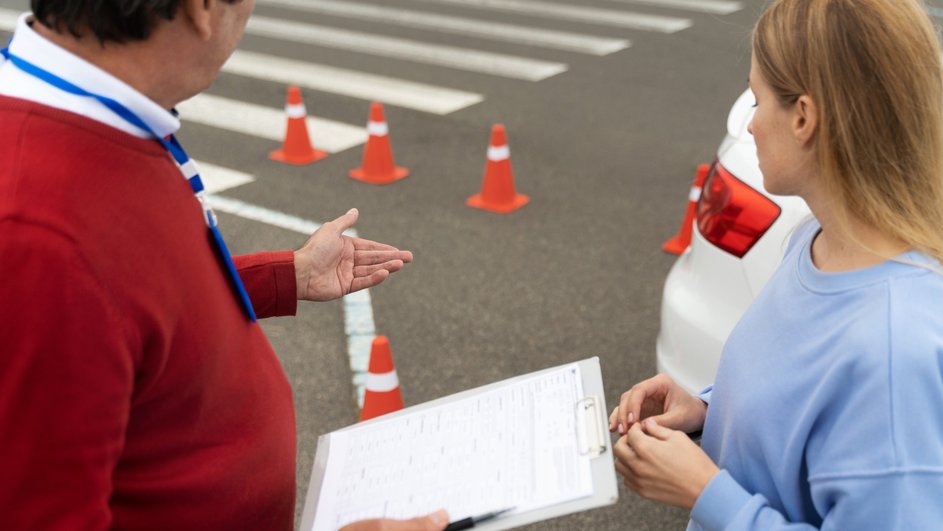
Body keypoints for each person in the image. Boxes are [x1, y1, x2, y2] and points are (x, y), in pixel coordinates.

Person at [0, 1, 445, 530]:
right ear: (203, 8)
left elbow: (131, 300)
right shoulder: (36, 229)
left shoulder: (98, 114)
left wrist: (289, 274)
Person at [608, 0, 943, 529]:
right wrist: (709, 411)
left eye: (756, 99)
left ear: (804, 117)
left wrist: (705, 492)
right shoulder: (813, 240)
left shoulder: (895, 349)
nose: (751, 124)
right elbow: (801, 407)